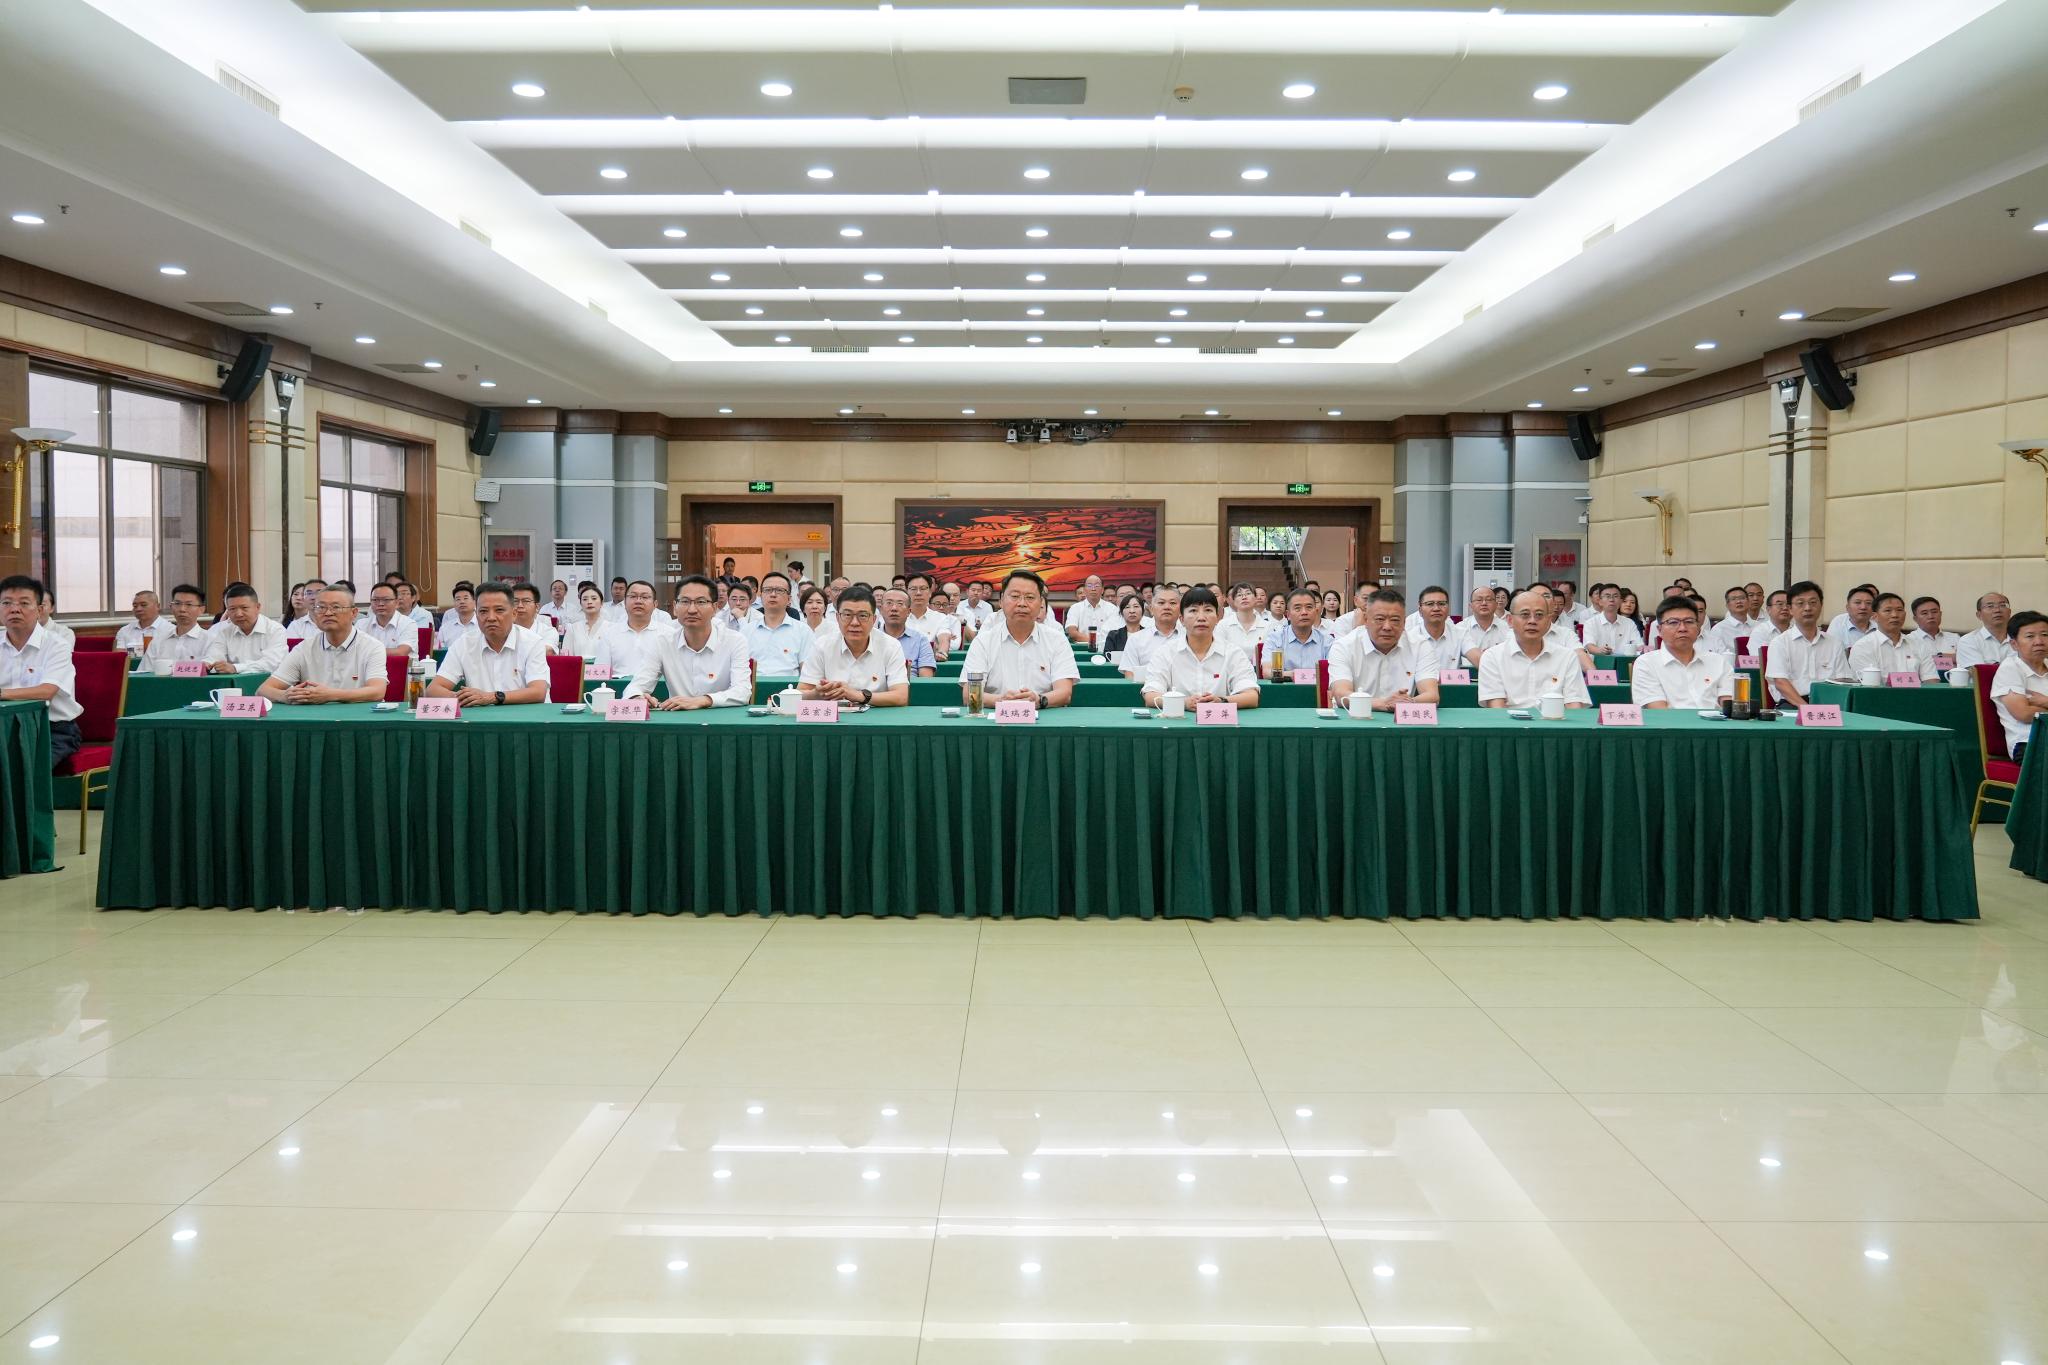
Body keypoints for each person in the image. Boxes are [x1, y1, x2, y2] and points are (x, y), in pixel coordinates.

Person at [619, 575, 753, 709]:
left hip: (723, 718)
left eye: (701, 602)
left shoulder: (734, 641)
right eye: (684, 601)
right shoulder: (663, 642)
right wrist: (637, 697)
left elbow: (742, 691)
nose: (692, 610)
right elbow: (636, 685)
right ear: (675, 607)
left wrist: (703, 700)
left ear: (714, 607)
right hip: (678, 719)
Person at [959, 570, 1080, 707]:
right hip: (996, 717)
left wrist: (1039, 700)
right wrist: (1002, 701)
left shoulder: (1057, 640)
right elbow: (969, 695)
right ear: (1001, 601)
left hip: (1043, 715)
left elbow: (1065, 693)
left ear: (1041, 603)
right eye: (1015, 596)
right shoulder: (983, 641)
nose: (1022, 603)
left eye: (1030, 597)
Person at [0, 574, 82, 769]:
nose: (14, 609)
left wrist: (2, 693)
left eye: (24, 603)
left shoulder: (57, 645)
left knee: (22, 769)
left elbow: (46, 691)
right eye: (6, 603)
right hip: (5, 727)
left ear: (39, 610)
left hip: (52, 730)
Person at [257, 585, 390, 705]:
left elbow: (377, 691)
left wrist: (330, 695)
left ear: (353, 613)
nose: (328, 613)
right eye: (321, 608)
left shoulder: (372, 646)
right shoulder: (304, 648)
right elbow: (263, 690)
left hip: (359, 718)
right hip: (316, 719)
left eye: (336, 607)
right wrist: (285, 696)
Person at [423, 582, 549, 706]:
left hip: (526, 715)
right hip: (480, 716)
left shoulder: (532, 642)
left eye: (499, 610)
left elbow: (538, 692)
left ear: (514, 614)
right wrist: (465, 698)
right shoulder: (464, 643)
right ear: (476, 615)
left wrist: (492, 697)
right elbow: (433, 689)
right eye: (483, 611)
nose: (491, 618)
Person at [1141, 584, 1257, 709]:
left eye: (1208, 610)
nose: (1201, 618)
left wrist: (1221, 701)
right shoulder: (1165, 652)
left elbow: (1251, 696)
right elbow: (1151, 695)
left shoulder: (1233, 652)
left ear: (1217, 618)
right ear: (1182, 619)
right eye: (1193, 611)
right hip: (1178, 719)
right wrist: (1183, 703)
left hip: (1219, 720)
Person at [1479, 589, 1592, 709]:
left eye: (1539, 615)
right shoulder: (1492, 657)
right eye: (1525, 614)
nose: (1532, 621)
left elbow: (1574, 705)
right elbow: (1496, 710)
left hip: (1555, 719)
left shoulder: (1567, 657)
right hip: (1508, 720)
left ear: (1548, 621)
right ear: (1510, 620)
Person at [799, 585, 908, 706]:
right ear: (837, 618)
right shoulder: (822, 645)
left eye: (862, 616)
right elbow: (801, 693)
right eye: (847, 615)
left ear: (874, 619)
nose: (854, 623)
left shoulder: (890, 646)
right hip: (834, 715)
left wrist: (858, 696)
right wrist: (817, 694)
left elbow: (901, 696)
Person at [1328, 589, 1437, 709]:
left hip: (1402, 716)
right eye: (1380, 619)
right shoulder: (1344, 646)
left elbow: (1432, 695)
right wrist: (1384, 704)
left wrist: (1406, 703)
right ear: (1366, 620)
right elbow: (1341, 694)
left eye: (1395, 620)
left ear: (1404, 623)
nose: (1387, 627)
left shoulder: (1420, 645)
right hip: (1355, 716)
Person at [1631, 596, 1734, 709]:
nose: (1682, 628)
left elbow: (1729, 707)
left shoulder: (1719, 662)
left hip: (1716, 720)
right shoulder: (1647, 663)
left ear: (1698, 628)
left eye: (1689, 622)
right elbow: (1658, 712)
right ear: (1659, 630)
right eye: (1673, 622)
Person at [1764, 580, 1851, 706]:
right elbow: (1781, 683)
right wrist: (1807, 709)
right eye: (1800, 603)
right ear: (1790, 609)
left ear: (1821, 606)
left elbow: (1843, 681)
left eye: (1813, 602)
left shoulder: (1834, 643)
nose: (1808, 608)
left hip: (1829, 704)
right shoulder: (1780, 643)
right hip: (1792, 704)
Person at [1989, 610, 2048, 762]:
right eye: (2030, 636)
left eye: (2044, 635)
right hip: (2029, 744)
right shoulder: (2010, 669)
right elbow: (2024, 714)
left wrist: (2045, 702)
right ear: (2014, 644)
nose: (2039, 641)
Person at [1848, 592, 1939, 681]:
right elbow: (1868, 684)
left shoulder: (1919, 644)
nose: (1895, 615)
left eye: (1899, 610)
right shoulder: (1863, 646)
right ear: (1875, 616)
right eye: (1888, 610)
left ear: (1905, 614)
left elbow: (1931, 680)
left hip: (1917, 692)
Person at [203, 583, 290, 674]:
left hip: (270, 681)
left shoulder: (275, 630)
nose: (238, 614)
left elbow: (272, 663)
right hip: (234, 682)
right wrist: (207, 664)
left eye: (244, 608)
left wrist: (235, 668)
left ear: (257, 607)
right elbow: (214, 656)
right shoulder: (225, 631)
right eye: (232, 609)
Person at [744, 570, 814, 674]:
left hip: (791, 684)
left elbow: (808, 672)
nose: (773, 594)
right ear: (761, 596)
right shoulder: (746, 631)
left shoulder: (803, 631)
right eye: (768, 590)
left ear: (789, 599)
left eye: (779, 590)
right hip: (754, 684)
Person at [609, 580, 676, 681]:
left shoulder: (669, 634)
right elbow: (600, 673)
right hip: (617, 689)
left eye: (645, 597)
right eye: (633, 596)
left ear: (655, 604)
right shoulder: (609, 634)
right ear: (625, 602)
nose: (638, 601)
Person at [1263, 588, 1333, 674]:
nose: (1304, 612)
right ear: (1288, 615)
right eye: (1297, 608)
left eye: (1309, 607)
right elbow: (1267, 672)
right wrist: (1296, 675)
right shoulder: (1275, 639)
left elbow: (1333, 672)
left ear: (1315, 612)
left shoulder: (1327, 641)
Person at [1119, 586, 1182, 681]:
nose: (1167, 607)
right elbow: (1130, 675)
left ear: (1181, 610)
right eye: (1161, 603)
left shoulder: (1190, 638)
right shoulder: (1136, 639)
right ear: (1151, 609)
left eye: (1172, 603)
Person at [141, 585, 211, 665]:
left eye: (189, 604)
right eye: (177, 603)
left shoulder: (210, 640)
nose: (182, 609)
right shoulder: (158, 640)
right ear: (171, 607)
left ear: (201, 610)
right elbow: (145, 670)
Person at [877, 587, 939, 677]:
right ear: (881, 610)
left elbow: (926, 678)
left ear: (909, 612)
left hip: (911, 685)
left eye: (900, 604)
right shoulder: (870, 638)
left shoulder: (920, 640)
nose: (894, 608)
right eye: (889, 603)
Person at [560, 582, 618, 669]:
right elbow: (566, 658)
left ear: (601, 602)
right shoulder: (573, 628)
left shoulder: (612, 628)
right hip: (578, 674)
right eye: (585, 599)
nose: (589, 602)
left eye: (594, 598)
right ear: (580, 604)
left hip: (603, 675)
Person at [1580, 583, 1646, 658]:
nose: (1611, 600)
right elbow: (1590, 646)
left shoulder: (1629, 623)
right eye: (1607, 596)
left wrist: (1644, 648)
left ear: (1620, 601)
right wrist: (1600, 650)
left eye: (1615, 596)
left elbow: (1639, 645)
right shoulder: (1591, 623)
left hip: (1624, 662)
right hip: (1599, 662)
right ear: (1600, 601)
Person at [1404, 585, 1460, 670]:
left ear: (1449, 608)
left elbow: (1474, 654)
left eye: (1441, 604)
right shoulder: (1409, 639)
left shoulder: (1459, 634)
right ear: (1420, 610)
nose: (1436, 608)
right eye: (1430, 604)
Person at [1453, 587, 1509, 668]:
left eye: (1489, 600)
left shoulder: (1507, 629)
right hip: (1467, 674)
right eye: (1479, 600)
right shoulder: (1460, 629)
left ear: (1496, 604)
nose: (1484, 603)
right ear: (1471, 606)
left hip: (1499, 673)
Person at [360, 583, 416, 661]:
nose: (380, 604)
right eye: (375, 600)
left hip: (400, 667)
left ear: (397, 603)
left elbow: (401, 653)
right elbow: (354, 651)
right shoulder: (361, 624)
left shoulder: (408, 624)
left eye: (386, 600)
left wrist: (368, 651)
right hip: (369, 667)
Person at [1958, 592, 2017, 667]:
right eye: (1990, 606)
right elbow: (1979, 672)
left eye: (2002, 605)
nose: (1997, 610)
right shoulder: (1968, 641)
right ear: (1979, 615)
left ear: (2009, 612)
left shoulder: (2021, 639)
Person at [904, 574, 957, 657]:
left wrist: (941, 652)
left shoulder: (941, 618)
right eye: (913, 589)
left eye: (923, 588)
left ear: (930, 593)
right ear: (906, 592)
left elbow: (944, 637)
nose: (918, 593)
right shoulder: (898, 616)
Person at [1061, 573, 1119, 646]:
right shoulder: (1075, 608)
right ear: (1085, 590)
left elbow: (1115, 633)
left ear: (1102, 590)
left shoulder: (1112, 609)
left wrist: (1099, 644)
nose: (1093, 589)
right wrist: (1094, 642)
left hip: (1106, 647)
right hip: (1082, 648)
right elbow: (1072, 632)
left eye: (1097, 586)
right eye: (1089, 586)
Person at [1213, 583, 1267, 655]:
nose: (1244, 597)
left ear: (1255, 598)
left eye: (1248, 593)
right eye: (1239, 595)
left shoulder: (1267, 626)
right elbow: (1218, 652)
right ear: (1234, 601)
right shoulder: (1223, 625)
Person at [1705, 585, 1761, 654]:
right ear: (1727, 605)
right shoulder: (1719, 629)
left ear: (1749, 602)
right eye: (1733, 599)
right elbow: (1718, 655)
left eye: (1742, 598)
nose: (1738, 601)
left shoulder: (1759, 626)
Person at [114, 590, 170, 656]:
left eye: (143, 605)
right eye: (135, 606)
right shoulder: (124, 631)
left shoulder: (170, 630)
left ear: (158, 606)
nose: (138, 609)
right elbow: (119, 657)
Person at [1909, 596, 1962, 665]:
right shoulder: (1909, 640)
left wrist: (1933, 659)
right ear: (1915, 619)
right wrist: (1947, 657)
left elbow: (1967, 661)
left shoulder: (1955, 638)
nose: (1930, 616)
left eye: (1934, 612)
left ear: (1940, 614)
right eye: (1924, 613)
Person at [1825, 584, 1878, 650]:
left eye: (1868, 603)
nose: (1863, 607)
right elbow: (1830, 649)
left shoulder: (1879, 624)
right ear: (1847, 607)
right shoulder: (1839, 622)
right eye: (1858, 602)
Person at [510, 581, 560, 651]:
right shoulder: (502, 630)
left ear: (537, 607)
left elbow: (547, 651)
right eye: (515, 601)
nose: (520, 605)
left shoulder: (548, 631)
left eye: (526, 601)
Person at [1748, 588, 1791, 658]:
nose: (1785, 608)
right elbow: (1760, 660)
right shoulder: (1760, 632)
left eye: (1788, 604)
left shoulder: (1798, 630)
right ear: (1768, 610)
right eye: (1780, 604)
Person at [437, 581, 478, 650]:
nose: (462, 602)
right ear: (454, 604)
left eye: (465, 598)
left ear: (474, 602)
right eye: (458, 599)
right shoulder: (445, 629)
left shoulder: (483, 626)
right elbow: (440, 651)